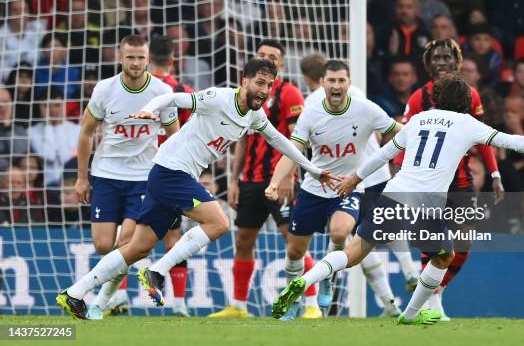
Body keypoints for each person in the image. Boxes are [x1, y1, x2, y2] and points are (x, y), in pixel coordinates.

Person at [272, 73, 524, 325]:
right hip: (427, 203)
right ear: (465, 102)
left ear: (437, 98)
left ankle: (305, 279)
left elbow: (385, 152)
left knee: (356, 249)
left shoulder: (418, 120)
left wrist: (355, 178)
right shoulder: (468, 123)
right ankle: (411, 314)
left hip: (395, 193)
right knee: (444, 256)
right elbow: (514, 142)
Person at [56, 58, 337, 320]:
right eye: (259, 83)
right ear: (245, 81)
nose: (264, 90)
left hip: (169, 174)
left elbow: (281, 141)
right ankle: (157, 271)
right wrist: (151, 109)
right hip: (170, 171)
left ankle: (74, 294)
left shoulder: (254, 116)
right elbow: (173, 98)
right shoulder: (218, 98)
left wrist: (313, 169)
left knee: (137, 248)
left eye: (269, 85)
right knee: (219, 223)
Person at [264, 60, 403, 321]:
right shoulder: (311, 112)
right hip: (314, 188)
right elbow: (292, 152)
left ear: (349, 83)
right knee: (295, 251)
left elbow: (400, 133)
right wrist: (274, 182)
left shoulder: (367, 110)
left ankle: (328, 275)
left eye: (341, 81)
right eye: (332, 81)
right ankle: (293, 303)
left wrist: (426, 137)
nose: (336, 86)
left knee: (340, 232)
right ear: (323, 83)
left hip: (348, 187)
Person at [391, 38, 503, 320]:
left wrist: (494, 173)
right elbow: (403, 139)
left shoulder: (470, 95)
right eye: (436, 58)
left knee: (464, 241)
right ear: (428, 65)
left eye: (446, 57)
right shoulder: (418, 98)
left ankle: (435, 292)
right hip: (428, 180)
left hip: (461, 179)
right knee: (433, 240)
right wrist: (397, 167)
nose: (442, 62)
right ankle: (430, 304)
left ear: (457, 62)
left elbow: (484, 137)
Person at [70, 35, 180, 320]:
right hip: (106, 174)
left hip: (144, 178)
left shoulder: (161, 91)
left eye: (140, 57)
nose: (135, 63)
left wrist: (173, 175)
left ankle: (102, 303)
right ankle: (116, 292)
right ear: (121, 58)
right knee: (102, 245)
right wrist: (82, 177)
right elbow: (85, 132)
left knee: (126, 245)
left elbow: (175, 137)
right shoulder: (105, 89)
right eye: (130, 57)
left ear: (148, 59)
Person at [208, 41, 319, 319]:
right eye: (262, 55)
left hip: (279, 179)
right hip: (251, 181)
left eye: (273, 57)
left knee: (293, 242)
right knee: (243, 240)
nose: (267, 59)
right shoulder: (245, 94)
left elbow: (297, 140)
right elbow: (242, 142)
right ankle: (238, 305)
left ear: (280, 65)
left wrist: (290, 175)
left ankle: (312, 304)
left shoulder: (290, 93)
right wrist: (234, 180)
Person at [300, 54, 418, 316]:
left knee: (357, 240)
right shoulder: (355, 91)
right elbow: (377, 129)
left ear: (311, 80)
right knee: (381, 228)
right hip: (376, 172)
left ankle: (381, 295)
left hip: (349, 180)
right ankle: (404, 280)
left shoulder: (311, 101)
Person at [148, 35, 195, 317]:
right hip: (173, 169)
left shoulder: (140, 88)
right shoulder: (183, 91)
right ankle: (179, 303)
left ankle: (114, 297)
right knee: (174, 238)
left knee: (128, 237)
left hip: (139, 170)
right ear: (173, 60)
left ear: (148, 58)